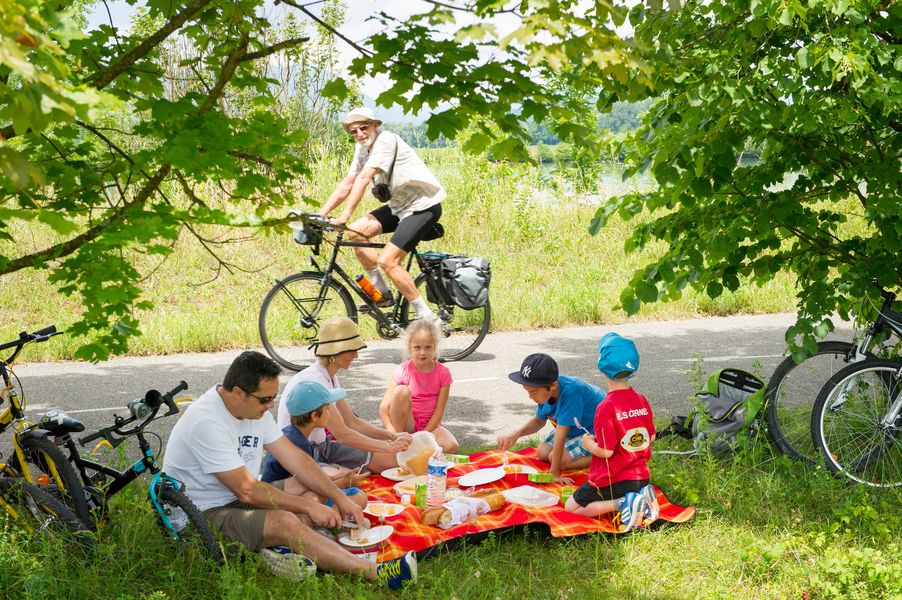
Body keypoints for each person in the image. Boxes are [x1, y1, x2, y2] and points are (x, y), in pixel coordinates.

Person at [163, 351, 416, 589]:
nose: (272, 406)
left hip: (234, 500)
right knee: (287, 519)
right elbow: (247, 491)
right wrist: (307, 506)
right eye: (266, 399)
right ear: (238, 393)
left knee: (305, 485)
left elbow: (298, 460)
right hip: (200, 515)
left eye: (274, 397)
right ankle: (378, 573)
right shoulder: (207, 421)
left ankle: (281, 548)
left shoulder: (254, 411)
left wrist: (340, 498)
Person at [319, 107, 445, 322]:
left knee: (389, 261)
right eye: (354, 131)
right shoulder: (362, 148)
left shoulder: (386, 141)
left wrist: (344, 216)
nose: (359, 134)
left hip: (422, 206)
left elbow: (363, 178)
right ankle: (382, 295)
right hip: (399, 206)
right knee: (356, 232)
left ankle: (426, 314)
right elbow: (348, 182)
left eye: (363, 128)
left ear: (375, 125)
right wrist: (321, 214)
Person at [276, 317, 412, 474]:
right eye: (352, 351)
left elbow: (353, 422)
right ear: (334, 353)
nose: (356, 356)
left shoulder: (328, 375)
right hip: (302, 451)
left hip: (323, 446)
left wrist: (392, 436)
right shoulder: (316, 381)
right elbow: (343, 434)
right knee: (348, 478)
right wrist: (388, 446)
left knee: (395, 461)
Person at [564, 333, 659, 533]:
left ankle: (624, 503)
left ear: (602, 367)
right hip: (641, 477)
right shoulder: (641, 399)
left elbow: (606, 452)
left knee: (571, 507)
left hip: (612, 480)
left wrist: (588, 444)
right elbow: (650, 437)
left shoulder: (606, 407)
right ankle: (640, 496)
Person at [497, 353, 605, 483]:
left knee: (558, 460)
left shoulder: (572, 393)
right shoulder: (546, 392)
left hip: (595, 430)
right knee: (542, 454)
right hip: (573, 427)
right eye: (528, 391)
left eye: (534, 392)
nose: (530, 397)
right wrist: (516, 434)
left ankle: (606, 456)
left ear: (553, 385)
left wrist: (554, 473)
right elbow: (538, 421)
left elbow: (561, 435)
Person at [262, 381, 368, 509]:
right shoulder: (298, 443)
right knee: (358, 498)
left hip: (282, 492)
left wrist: (337, 478)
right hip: (276, 502)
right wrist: (344, 482)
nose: (330, 412)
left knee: (353, 493)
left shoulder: (292, 434)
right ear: (314, 416)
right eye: (328, 408)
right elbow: (307, 485)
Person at [379, 320, 459, 453]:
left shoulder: (443, 373)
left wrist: (423, 435)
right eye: (417, 347)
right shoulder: (403, 370)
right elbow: (383, 408)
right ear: (410, 347)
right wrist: (393, 434)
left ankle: (417, 449)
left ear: (435, 347)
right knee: (401, 391)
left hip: (431, 425)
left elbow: (439, 411)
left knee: (451, 446)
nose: (422, 352)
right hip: (407, 424)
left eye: (428, 347)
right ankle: (400, 444)